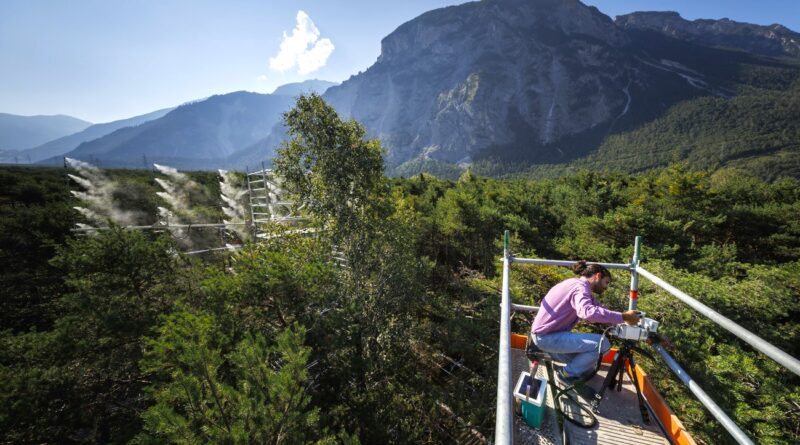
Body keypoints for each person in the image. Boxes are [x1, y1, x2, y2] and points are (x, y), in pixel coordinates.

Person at [530, 260, 640, 384]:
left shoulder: (575, 284)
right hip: (546, 338)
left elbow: (600, 309)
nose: (606, 287)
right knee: (602, 344)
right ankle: (566, 375)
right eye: (606, 282)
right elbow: (588, 312)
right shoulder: (580, 288)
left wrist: (623, 321)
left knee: (587, 362)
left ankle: (570, 368)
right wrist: (624, 316)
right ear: (598, 276)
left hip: (545, 336)